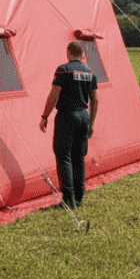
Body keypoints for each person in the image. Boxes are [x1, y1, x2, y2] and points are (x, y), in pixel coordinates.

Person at [39, 41, 99, 209]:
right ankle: (79, 197)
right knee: (79, 157)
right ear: (82, 54)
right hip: (83, 116)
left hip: (67, 116)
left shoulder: (63, 69)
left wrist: (45, 116)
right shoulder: (90, 72)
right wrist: (91, 124)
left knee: (63, 156)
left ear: (69, 52)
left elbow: (54, 95)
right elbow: (94, 99)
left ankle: (68, 200)